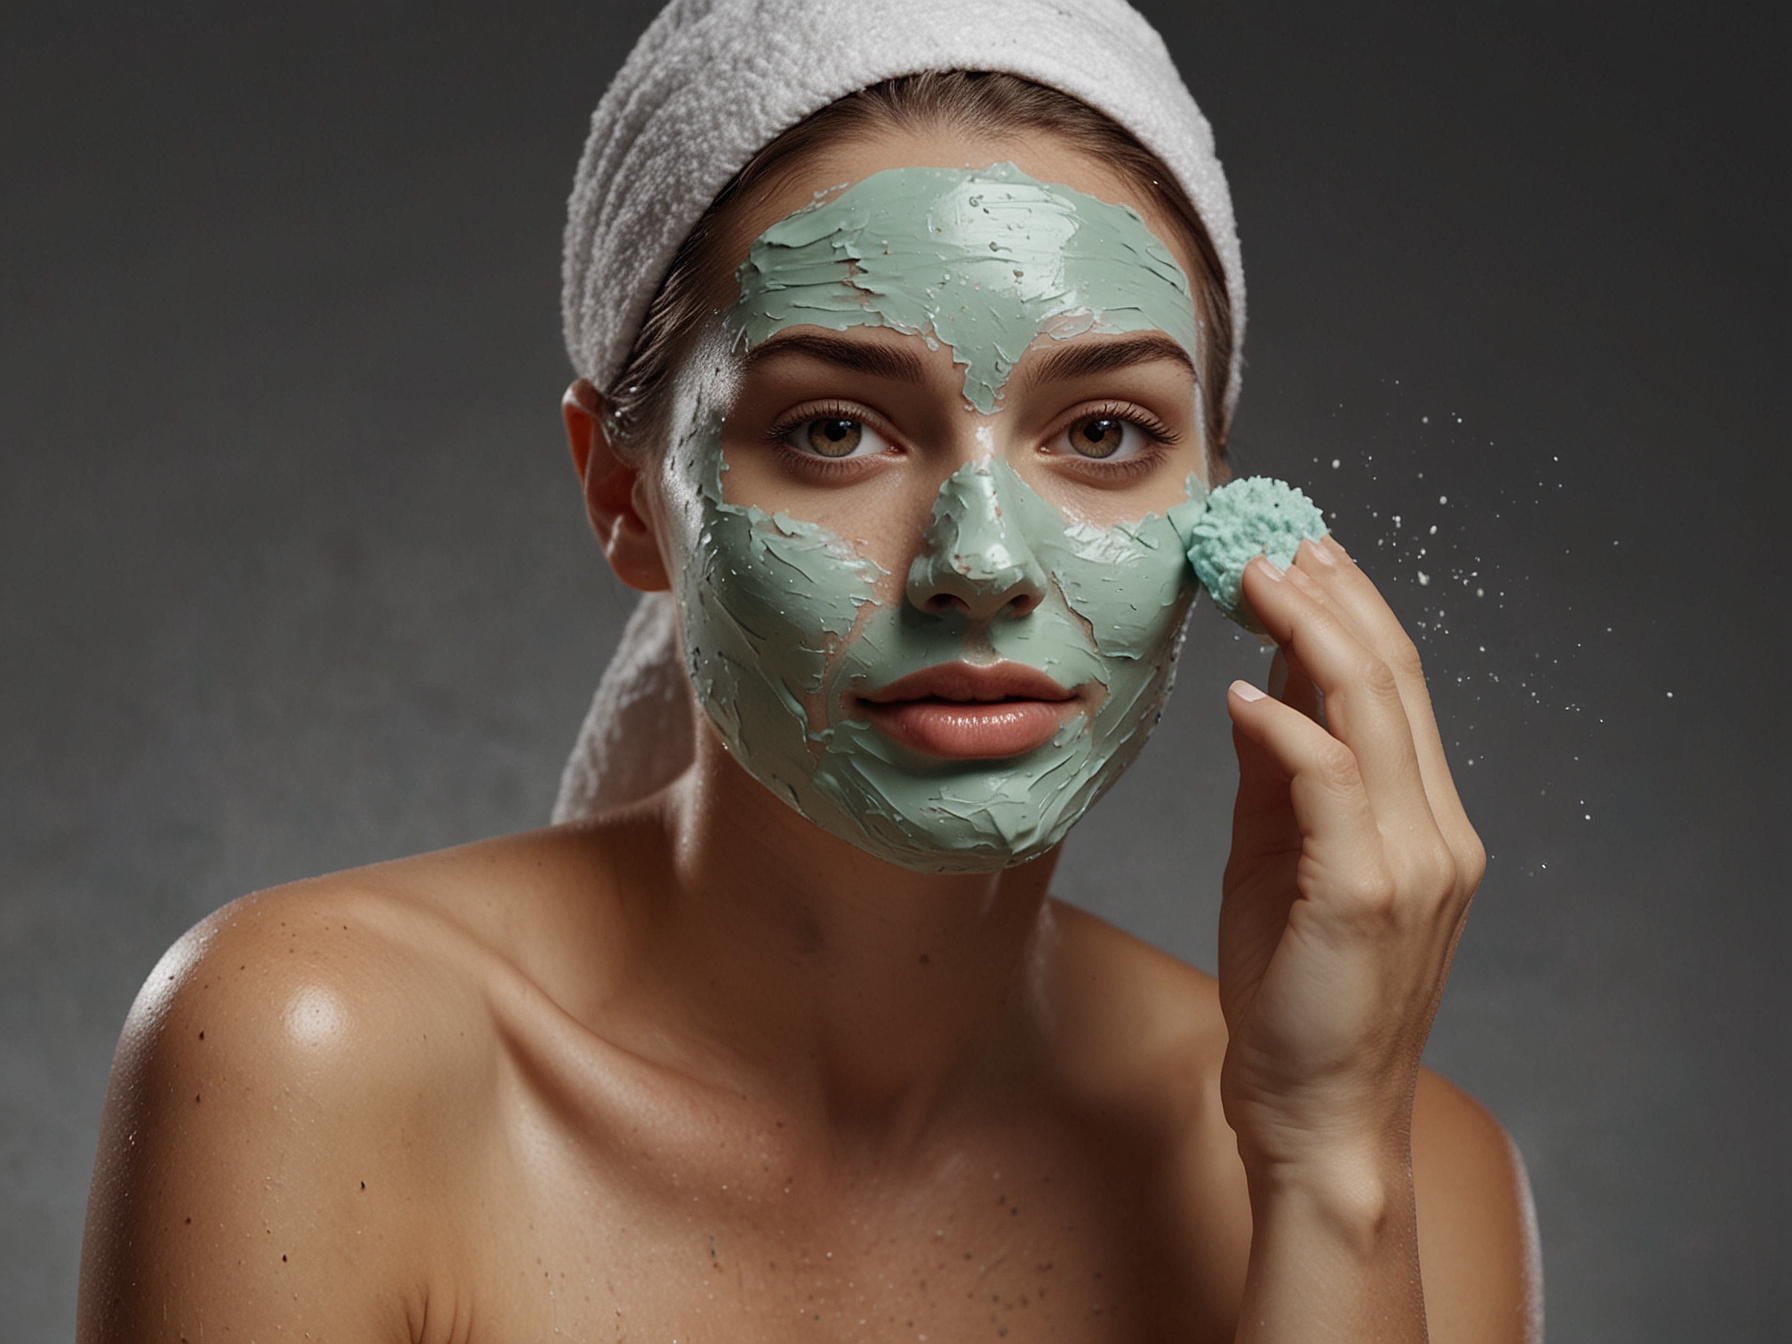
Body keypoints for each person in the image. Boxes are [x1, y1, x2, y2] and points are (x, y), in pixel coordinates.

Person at [78, 1, 1541, 1339]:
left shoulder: (1415, 1177)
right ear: (621, 494)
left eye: (1102, 433)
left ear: (1217, 504)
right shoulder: (309, 1058)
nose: (981, 559)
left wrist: (1331, 1163)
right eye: (835, 428)